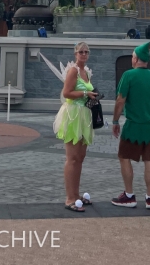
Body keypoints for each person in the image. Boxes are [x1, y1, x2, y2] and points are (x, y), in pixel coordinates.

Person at [111, 41, 150, 210]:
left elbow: (120, 101)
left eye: (133, 56)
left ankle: (129, 195)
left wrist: (115, 121)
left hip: (133, 126)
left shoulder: (128, 76)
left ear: (136, 59)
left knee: (124, 157)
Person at [53, 41, 97, 212]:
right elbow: (67, 93)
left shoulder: (86, 72)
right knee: (72, 158)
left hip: (85, 115)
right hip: (73, 115)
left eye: (86, 52)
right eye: (81, 52)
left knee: (80, 157)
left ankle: (76, 194)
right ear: (75, 54)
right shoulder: (73, 71)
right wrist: (85, 93)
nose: (84, 55)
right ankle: (69, 198)